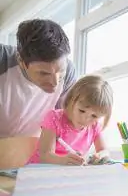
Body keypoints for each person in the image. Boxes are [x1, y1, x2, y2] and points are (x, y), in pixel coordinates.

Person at [0, 19, 76, 168]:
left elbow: (66, 122)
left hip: (31, 158)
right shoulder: (2, 59)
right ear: (21, 60)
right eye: (43, 73)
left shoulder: (69, 72)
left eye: (60, 71)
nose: (55, 83)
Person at [27, 75, 113, 165]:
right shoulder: (54, 118)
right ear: (72, 99)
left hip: (67, 174)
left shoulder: (94, 126)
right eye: (82, 110)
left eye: (94, 116)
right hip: (40, 171)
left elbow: (104, 151)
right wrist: (63, 160)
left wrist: (101, 155)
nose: (85, 119)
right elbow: (45, 156)